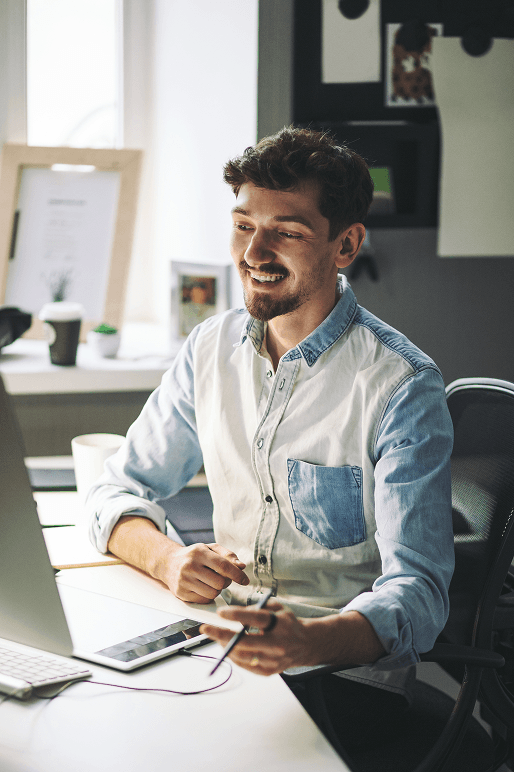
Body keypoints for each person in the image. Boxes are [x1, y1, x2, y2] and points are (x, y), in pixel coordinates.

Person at [88, 126, 454, 752]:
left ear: (346, 245)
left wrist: (311, 640)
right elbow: (116, 487)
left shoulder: (400, 385)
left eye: (286, 231)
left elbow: (418, 594)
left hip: (342, 679)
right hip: (218, 649)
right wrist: (170, 560)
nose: (253, 252)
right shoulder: (209, 347)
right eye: (242, 225)